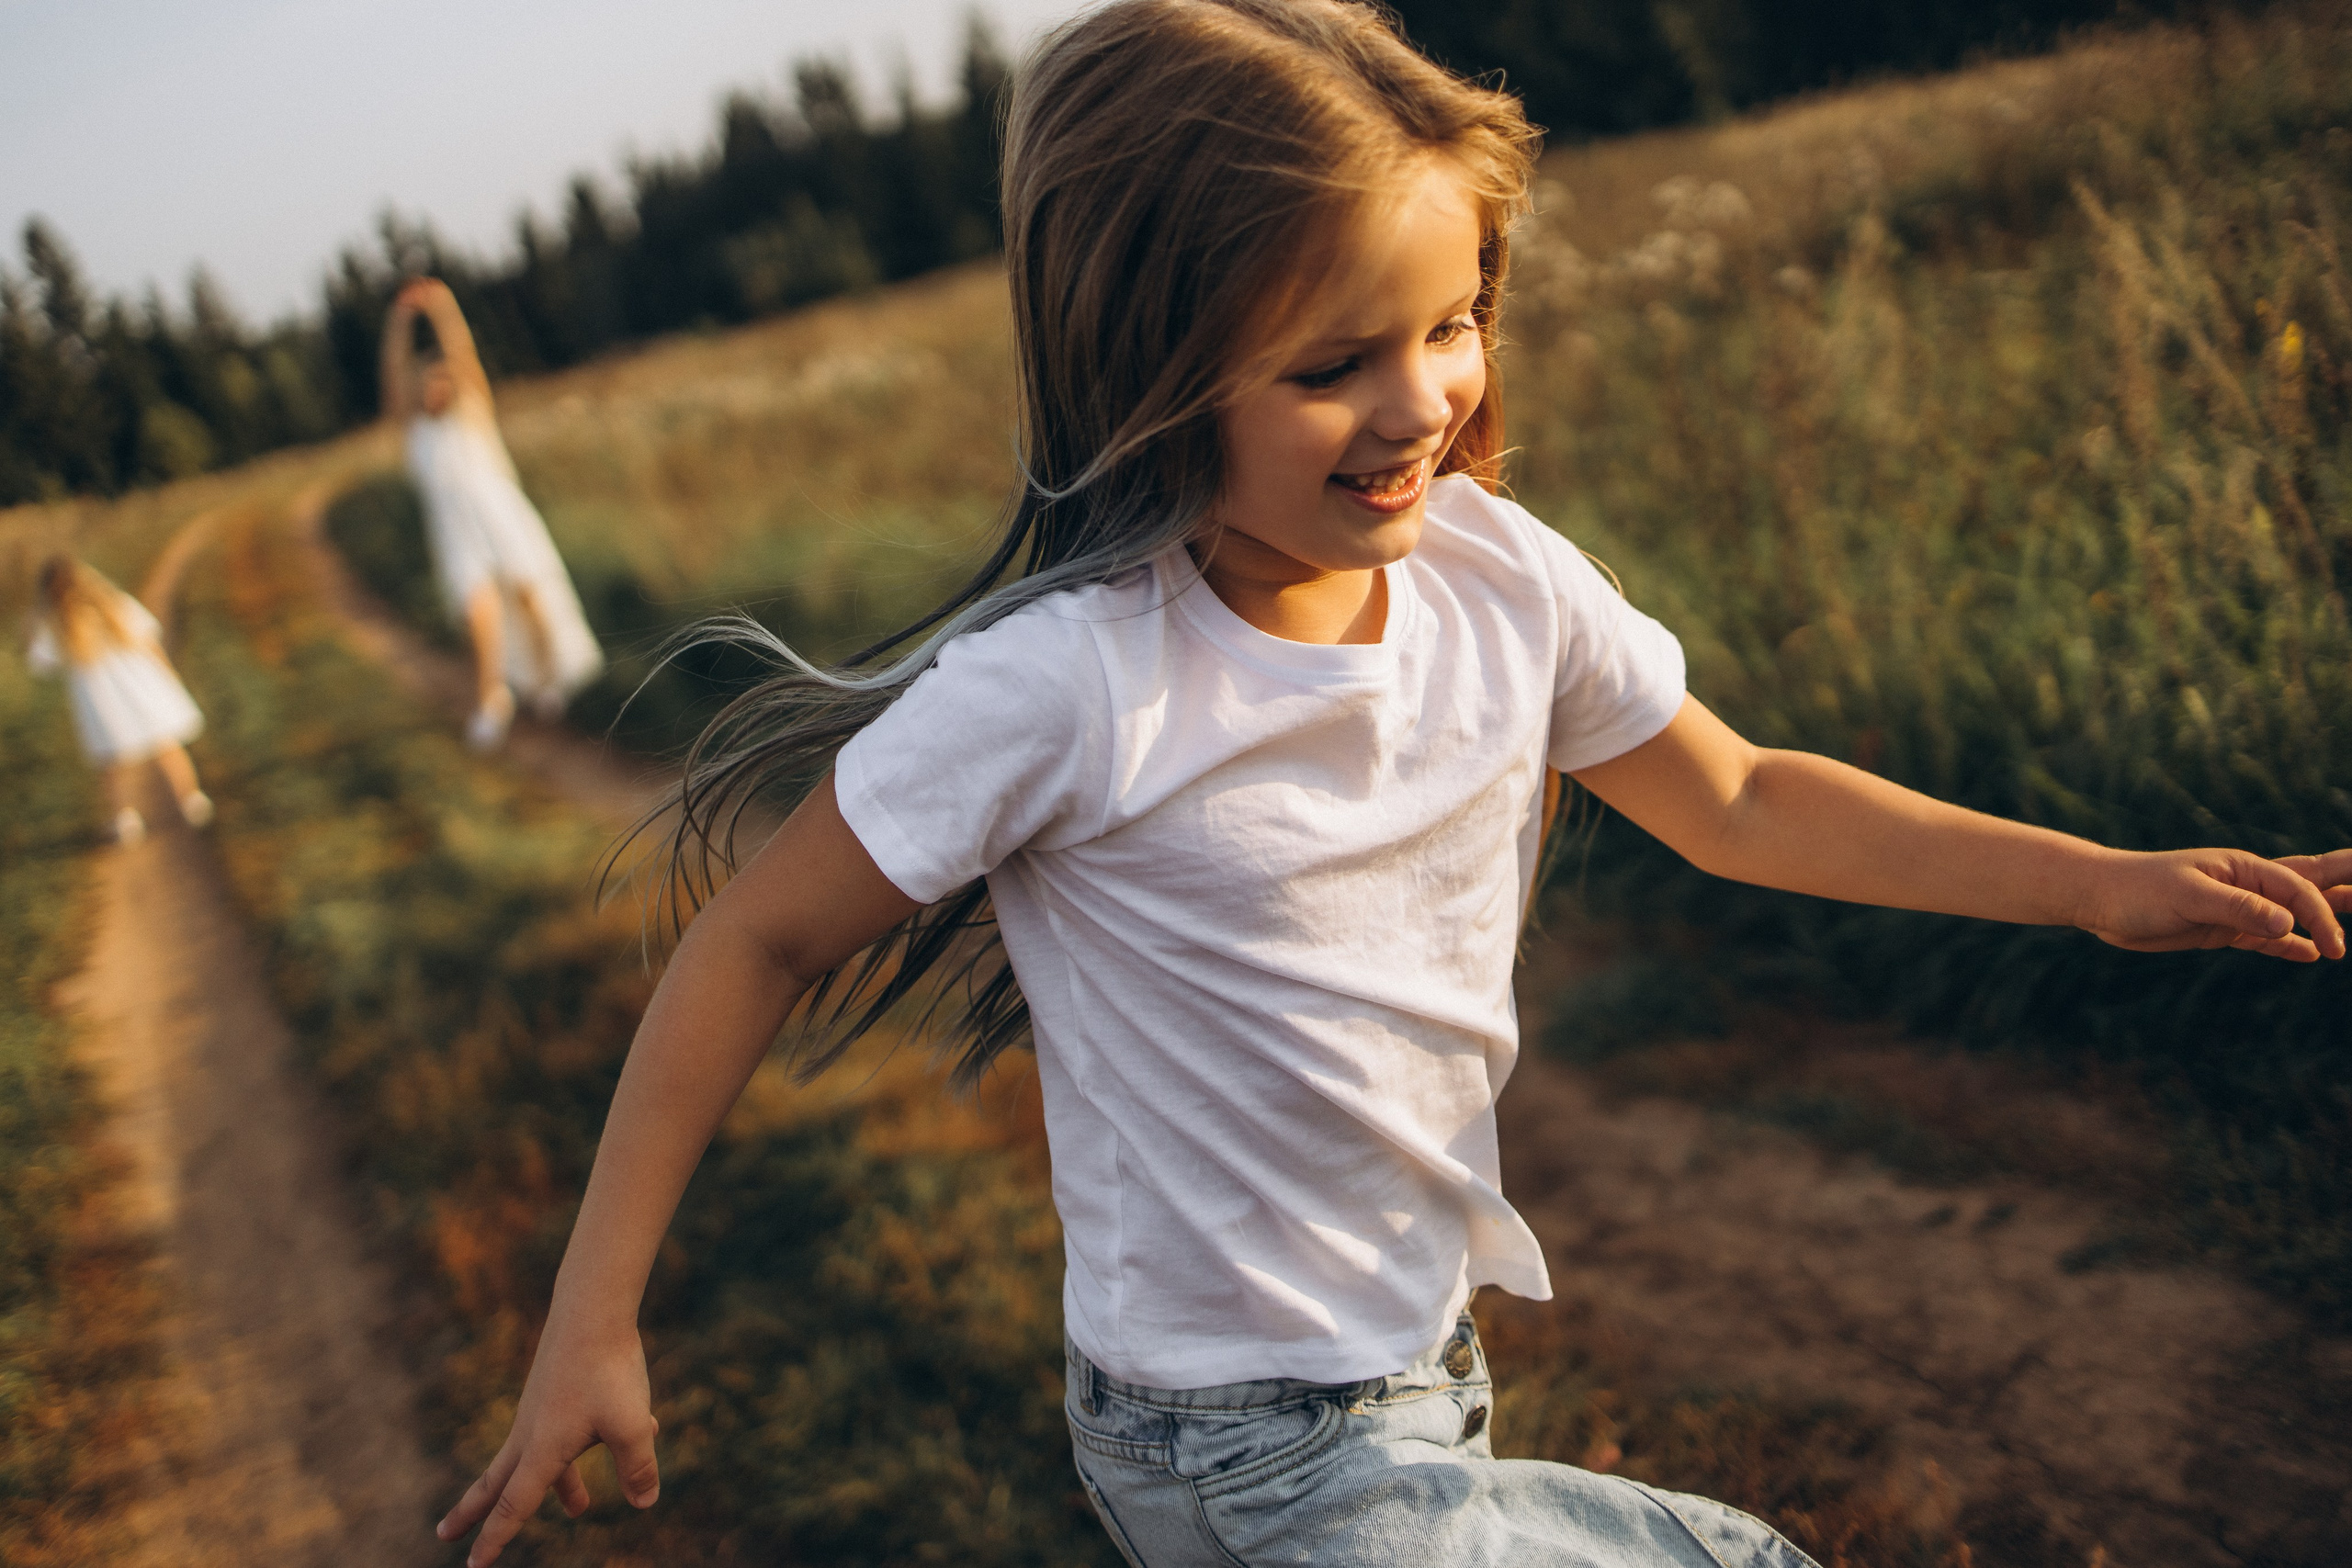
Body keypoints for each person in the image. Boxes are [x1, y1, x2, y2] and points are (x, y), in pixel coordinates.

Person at [435, 4, 2352, 1565]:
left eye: (1453, 320)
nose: (1425, 395)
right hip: (1230, 1449)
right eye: (1332, 361)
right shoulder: (1073, 685)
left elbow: (1742, 793)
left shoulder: (1501, 580)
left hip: (1418, 1370)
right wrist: (590, 1317)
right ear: (1150, 376)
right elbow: (754, 937)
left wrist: (2093, 880)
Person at [380, 276, 603, 750]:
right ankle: (491, 699)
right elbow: (393, 375)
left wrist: (441, 306)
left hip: (502, 517)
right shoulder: (415, 433)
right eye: (427, 382)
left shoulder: (473, 416)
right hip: (456, 531)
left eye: (442, 380)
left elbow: (463, 355)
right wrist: (401, 319)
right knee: (480, 614)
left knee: (529, 597)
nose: (435, 387)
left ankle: (546, 682)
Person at [26, 553, 212, 846]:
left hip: (101, 703)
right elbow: (150, 640)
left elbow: (40, 664)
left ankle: (126, 821)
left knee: (113, 764)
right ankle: (192, 803)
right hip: (141, 688)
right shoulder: (114, 604)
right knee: (167, 747)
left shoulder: (58, 624)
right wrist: (168, 674)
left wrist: (37, 617)